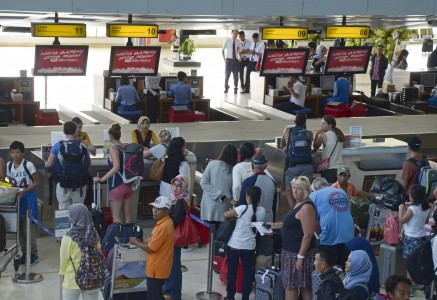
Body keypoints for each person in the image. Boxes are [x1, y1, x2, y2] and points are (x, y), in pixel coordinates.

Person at [268, 176, 317, 300]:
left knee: (292, 286)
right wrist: (276, 225)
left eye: (298, 189)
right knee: (302, 285)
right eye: (293, 188)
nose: (294, 191)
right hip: (290, 251)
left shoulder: (306, 207)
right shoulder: (298, 203)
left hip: (297, 253)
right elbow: (293, 223)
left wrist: (300, 257)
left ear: (305, 190)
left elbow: (308, 234)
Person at [224, 186, 265, 300]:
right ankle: (245, 297)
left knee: (232, 272)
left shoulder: (242, 208)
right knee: (247, 273)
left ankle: (230, 296)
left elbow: (226, 214)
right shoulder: (261, 211)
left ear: (248, 197)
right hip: (250, 247)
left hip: (235, 245)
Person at [130, 196, 174, 300]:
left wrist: (135, 242)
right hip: (160, 267)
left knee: (154, 296)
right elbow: (154, 243)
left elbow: (151, 248)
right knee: (157, 294)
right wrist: (142, 242)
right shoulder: (166, 223)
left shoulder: (163, 227)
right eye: (154, 207)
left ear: (166, 210)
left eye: (158, 209)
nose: (154, 211)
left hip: (156, 269)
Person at [7, 141, 40, 265]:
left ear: (23, 152)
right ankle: (24, 253)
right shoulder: (10, 165)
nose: (15, 155)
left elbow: (37, 182)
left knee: (28, 229)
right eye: (13, 152)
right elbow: (10, 182)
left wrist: (24, 191)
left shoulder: (29, 165)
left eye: (18, 152)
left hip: (28, 199)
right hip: (17, 200)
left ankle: (33, 254)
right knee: (19, 229)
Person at [59, 203, 101, 300]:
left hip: (72, 280)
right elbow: (98, 251)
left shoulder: (68, 237)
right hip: (92, 279)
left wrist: (62, 272)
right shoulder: (94, 234)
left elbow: (63, 262)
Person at [310, 177, 354, 268]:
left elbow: (314, 222)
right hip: (348, 235)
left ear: (314, 188)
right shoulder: (342, 192)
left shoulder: (314, 195)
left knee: (325, 268)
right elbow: (348, 210)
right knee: (345, 268)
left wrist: (319, 238)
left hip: (329, 237)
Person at [47, 121, 91, 210]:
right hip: (79, 184)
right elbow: (88, 164)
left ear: (64, 132)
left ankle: (65, 224)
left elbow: (49, 164)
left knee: (63, 210)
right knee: (78, 210)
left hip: (63, 184)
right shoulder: (82, 146)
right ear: (76, 132)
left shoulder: (58, 146)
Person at [93, 123, 132, 224]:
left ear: (110, 136)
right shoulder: (127, 147)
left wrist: (102, 179)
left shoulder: (113, 148)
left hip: (117, 185)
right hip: (129, 184)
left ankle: (118, 238)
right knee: (127, 214)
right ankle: (129, 237)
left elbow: (116, 167)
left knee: (116, 215)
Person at [163, 175, 190, 300]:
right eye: (174, 184)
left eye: (179, 186)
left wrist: (164, 214)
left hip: (175, 239)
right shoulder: (174, 199)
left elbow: (175, 220)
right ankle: (168, 288)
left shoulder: (180, 202)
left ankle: (175, 294)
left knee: (174, 267)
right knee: (169, 265)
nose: (175, 188)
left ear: (183, 188)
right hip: (170, 238)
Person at [282, 112, 314, 207]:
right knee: (306, 189)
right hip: (308, 166)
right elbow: (310, 147)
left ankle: (294, 210)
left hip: (293, 166)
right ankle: (305, 208)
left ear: (294, 121)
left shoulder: (288, 130)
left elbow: (284, 146)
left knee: (289, 189)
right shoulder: (309, 133)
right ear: (305, 122)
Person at [200, 144, 237, 223]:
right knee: (221, 233)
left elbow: (203, 182)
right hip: (224, 206)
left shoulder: (212, 164)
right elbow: (234, 189)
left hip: (208, 206)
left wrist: (217, 193)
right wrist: (222, 195)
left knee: (208, 232)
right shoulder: (233, 170)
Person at [399, 185, 430, 268]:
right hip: (422, 237)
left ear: (414, 197)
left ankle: (411, 280)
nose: (409, 197)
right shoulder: (426, 208)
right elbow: (426, 221)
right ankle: (417, 280)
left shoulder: (412, 209)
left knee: (410, 264)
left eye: (410, 195)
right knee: (419, 262)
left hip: (411, 238)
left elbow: (402, 220)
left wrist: (401, 208)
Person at [313, 115, 346, 184]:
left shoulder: (323, 135)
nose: (321, 126)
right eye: (321, 124)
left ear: (330, 125)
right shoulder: (339, 135)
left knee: (327, 191)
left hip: (329, 169)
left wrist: (316, 135)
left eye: (324, 124)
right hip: (340, 169)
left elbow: (315, 147)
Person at [222, 30, 242, 94]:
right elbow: (222, 50)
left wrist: (240, 56)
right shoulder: (227, 40)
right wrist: (224, 59)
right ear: (231, 33)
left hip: (235, 60)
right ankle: (226, 87)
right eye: (234, 33)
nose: (235, 35)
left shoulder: (238, 41)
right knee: (227, 75)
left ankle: (235, 88)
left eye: (236, 33)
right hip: (229, 60)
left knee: (236, 75)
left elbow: (240, 49)